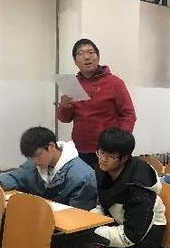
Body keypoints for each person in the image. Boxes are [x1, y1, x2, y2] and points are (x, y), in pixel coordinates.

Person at [0, 127, 98, 248]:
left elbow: (78, 219)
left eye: (37, 156)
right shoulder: (37, 163)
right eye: (31, 158)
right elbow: (17, 176)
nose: (34, 161)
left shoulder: (81, 175)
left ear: (51, 147)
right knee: (1, 235)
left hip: (74, 234)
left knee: (35, 242)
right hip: (46, 226)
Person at [56, 38, 136, 169]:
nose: (86, 57)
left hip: (108, 150)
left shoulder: (114, 83)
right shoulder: (72, 84)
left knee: (106, 182)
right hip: (80, 149)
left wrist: (121, 143)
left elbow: (129, 114)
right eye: (81, 53)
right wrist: (64, 107)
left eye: (90, 52)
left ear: (98, 57)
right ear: (75, 61)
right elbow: (65, 119)